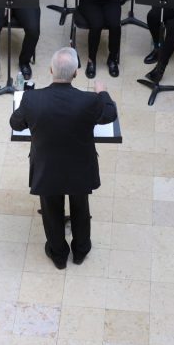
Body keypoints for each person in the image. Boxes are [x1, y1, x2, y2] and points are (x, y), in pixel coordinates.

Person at [9, 47, 118, 269]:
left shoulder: (32, 99)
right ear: (76, 73)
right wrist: (102, 92)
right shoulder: (89, 101)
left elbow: (16, 123)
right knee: (81, 207)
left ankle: (58, 255)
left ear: (51, 70)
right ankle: (81, 250)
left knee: (51, 211)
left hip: (47, 168)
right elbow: (110, 114)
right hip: (80, 167)